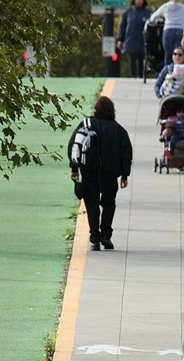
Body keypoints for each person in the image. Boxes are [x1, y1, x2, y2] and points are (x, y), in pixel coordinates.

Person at [68, 96, 133, 252]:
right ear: (112, 111)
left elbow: (74, 145)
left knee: (91, 204)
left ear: (96, 109)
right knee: (109, 203)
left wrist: (74, 168)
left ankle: (95, 238)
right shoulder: (119, 130)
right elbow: (126, 154)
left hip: (89, 171)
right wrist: (125, 175)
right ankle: (106, 235)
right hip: (110, 173)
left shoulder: (86, 125)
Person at [116, 0, 152, 78]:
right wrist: (120, 39)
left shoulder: (148, 13)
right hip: (130, 40)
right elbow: (122, 26)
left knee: (141, 59)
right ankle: (133, 76)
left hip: (143, 40)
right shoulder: (128, 13)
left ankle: (140, 76)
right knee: (132, 59)